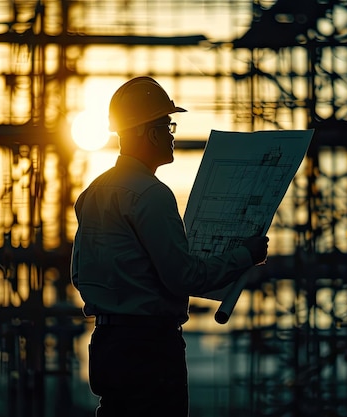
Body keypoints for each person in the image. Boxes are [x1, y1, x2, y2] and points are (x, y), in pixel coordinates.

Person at [70, 76, 269, 417]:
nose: (172, 134)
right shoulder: (151, 195)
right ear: (150, 132)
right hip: (150, 348)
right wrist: (244, 255)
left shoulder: (94, 192)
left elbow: (81, 273)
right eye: (168, 125)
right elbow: (183, 276)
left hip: (108, 345)